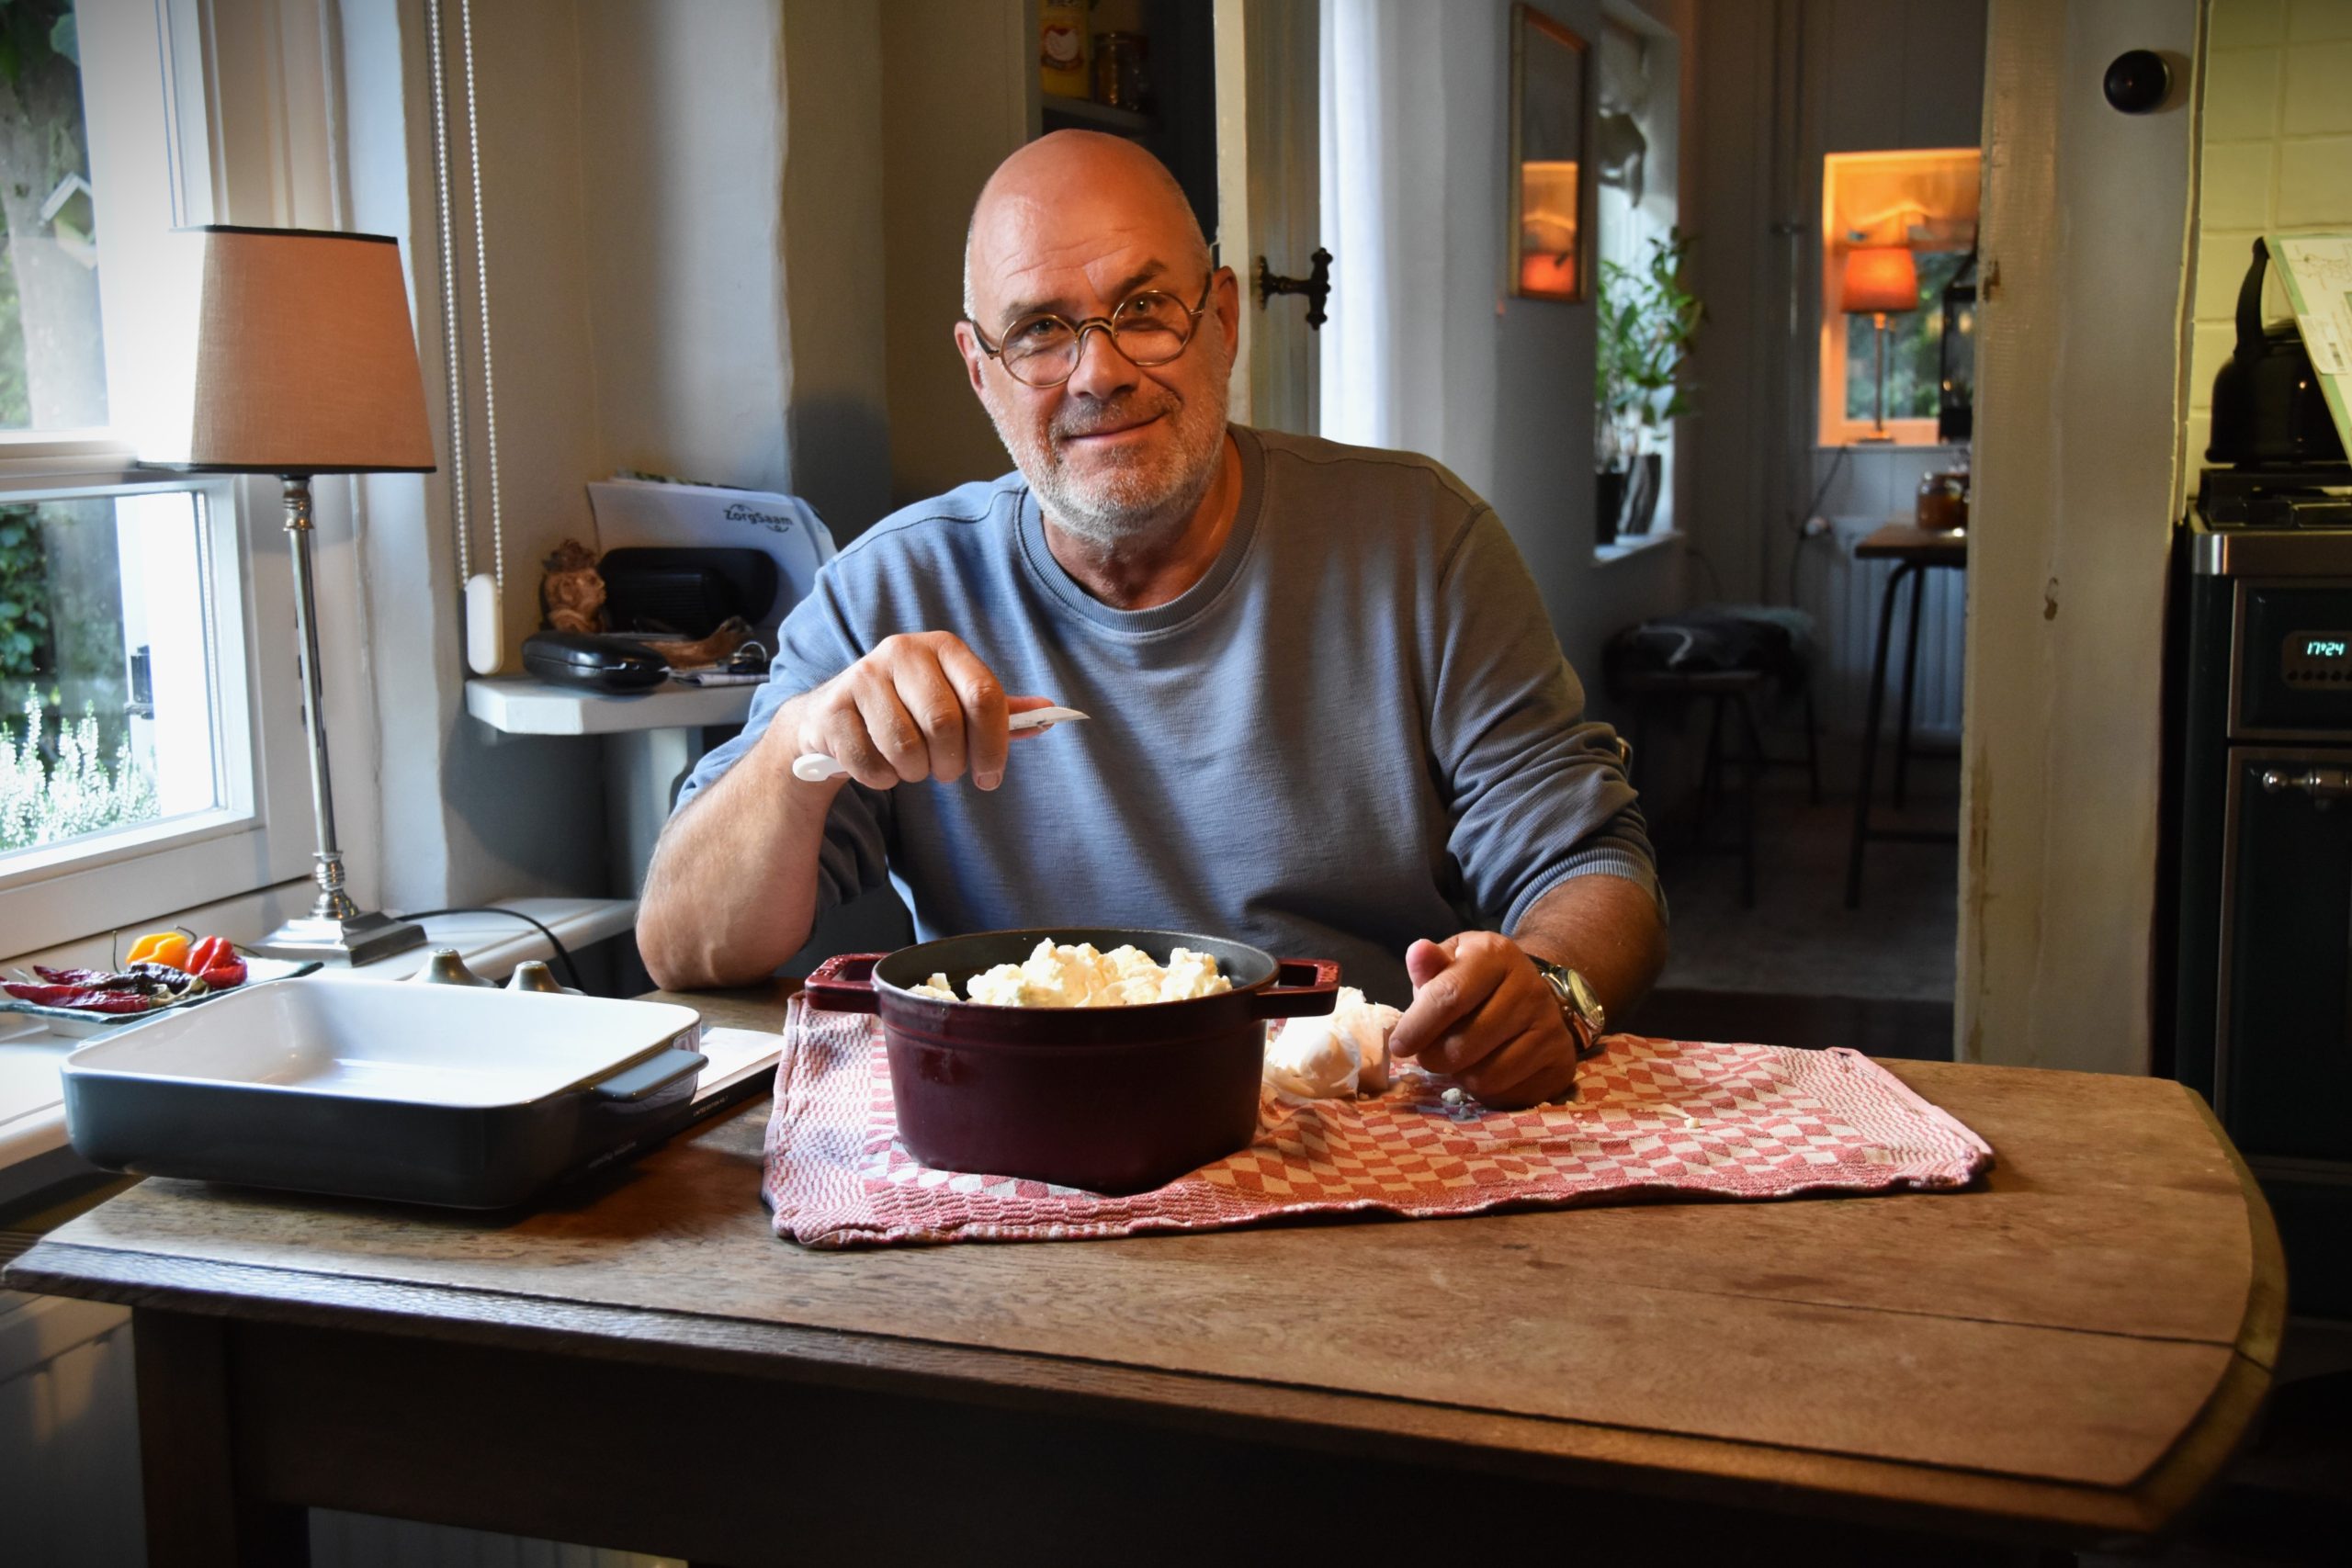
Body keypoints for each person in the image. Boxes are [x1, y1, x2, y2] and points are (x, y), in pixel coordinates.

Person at [638, 131, 1666, 1110]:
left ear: (1221, 318)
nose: (1099, 372)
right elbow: (683, 950)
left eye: (1143, 308)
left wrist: (1549, 991)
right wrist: (797, 750)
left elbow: (1593, 867)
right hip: (1022, 1143)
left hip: (1358, 1128)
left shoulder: (1422, 542)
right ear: (978, 368)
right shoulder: (884, 593)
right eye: (1039, 330)